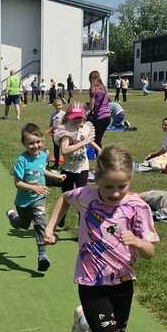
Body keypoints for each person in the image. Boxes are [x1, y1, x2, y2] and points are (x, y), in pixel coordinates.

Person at [44, 146, 158, 332]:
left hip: (123, 285)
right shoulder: (86, 195)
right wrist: (50, 228)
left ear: (130, 180)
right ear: (97, 179)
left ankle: (83, 318)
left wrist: (137, 242)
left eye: (122, 186)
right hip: (91, 283)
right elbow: (64, 198)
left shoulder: (137, 206)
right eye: (108, 187)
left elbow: (150, 251)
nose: (115, 193)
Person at [6, 123, 66, 272]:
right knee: (23, 225)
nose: (35, 146)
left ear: (42, 140)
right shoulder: (22, 160)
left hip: (38, 199)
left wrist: (55, 176)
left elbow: (42, 170)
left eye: (38, 142)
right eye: (31, 143)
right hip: (23, 202)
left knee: (40, 223)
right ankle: (13, 217)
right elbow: (17, 183)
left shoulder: (43, 155)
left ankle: (42, 256)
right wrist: (34, 188)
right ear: (24, 144)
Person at [53, 103, 98, 226]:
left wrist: (99, 149)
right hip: (68, 169)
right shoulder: (65, 130)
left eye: (80, 117)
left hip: (82, 168)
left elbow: (89, 140)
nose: (78, 120)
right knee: (66, 195)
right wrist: (83, 143)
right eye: (75, 117)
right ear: (69, 117)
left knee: (82, 197)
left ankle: (82, 224)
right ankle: (60, 219)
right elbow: (64, 150)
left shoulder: (85, 127)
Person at [88, 70, 111, 148]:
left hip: (100, 117)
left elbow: (91, 107)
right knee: (98, 140)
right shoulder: (104, 88)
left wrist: (86, 106)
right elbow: (108, 100)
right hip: (107, 116)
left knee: (96, 141)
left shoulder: (93, 89)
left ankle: (100, 153)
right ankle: (99, 152)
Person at [48, 97, 66, 168]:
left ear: (62, 105)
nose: (57, 106)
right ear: (54, 106)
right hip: (54, 134)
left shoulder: (64, 114)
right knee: (56, 148)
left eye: (59, 105)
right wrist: (50, 130)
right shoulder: (53, 115)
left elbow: (66, 123)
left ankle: (66, 163)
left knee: (64, 148)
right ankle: (56, 163)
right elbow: (51, 124)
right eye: (56, 105)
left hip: (62, 133)